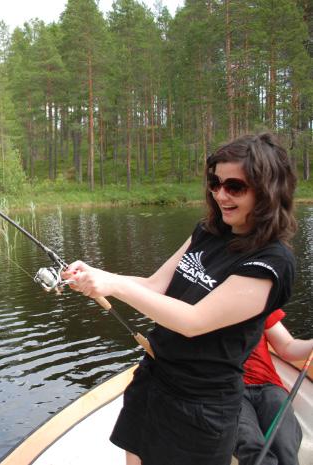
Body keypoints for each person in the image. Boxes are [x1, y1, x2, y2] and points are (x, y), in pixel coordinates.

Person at [61, 132, 297, 465]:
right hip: (154, 377)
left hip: (201, 406)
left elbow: (193, 321)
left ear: (269, 190)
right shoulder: (208, 232)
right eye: (215, 183)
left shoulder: (271, 262)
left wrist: (114, 286)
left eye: (235, 187)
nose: (220, 195)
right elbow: (155, 285)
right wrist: (95, 276)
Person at [236, 308, 313, 465]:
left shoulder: (262, 303)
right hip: (229, 390)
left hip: (269, 386)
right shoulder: (197, 304)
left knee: (284, 443)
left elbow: (287, 347)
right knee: (250, 444)